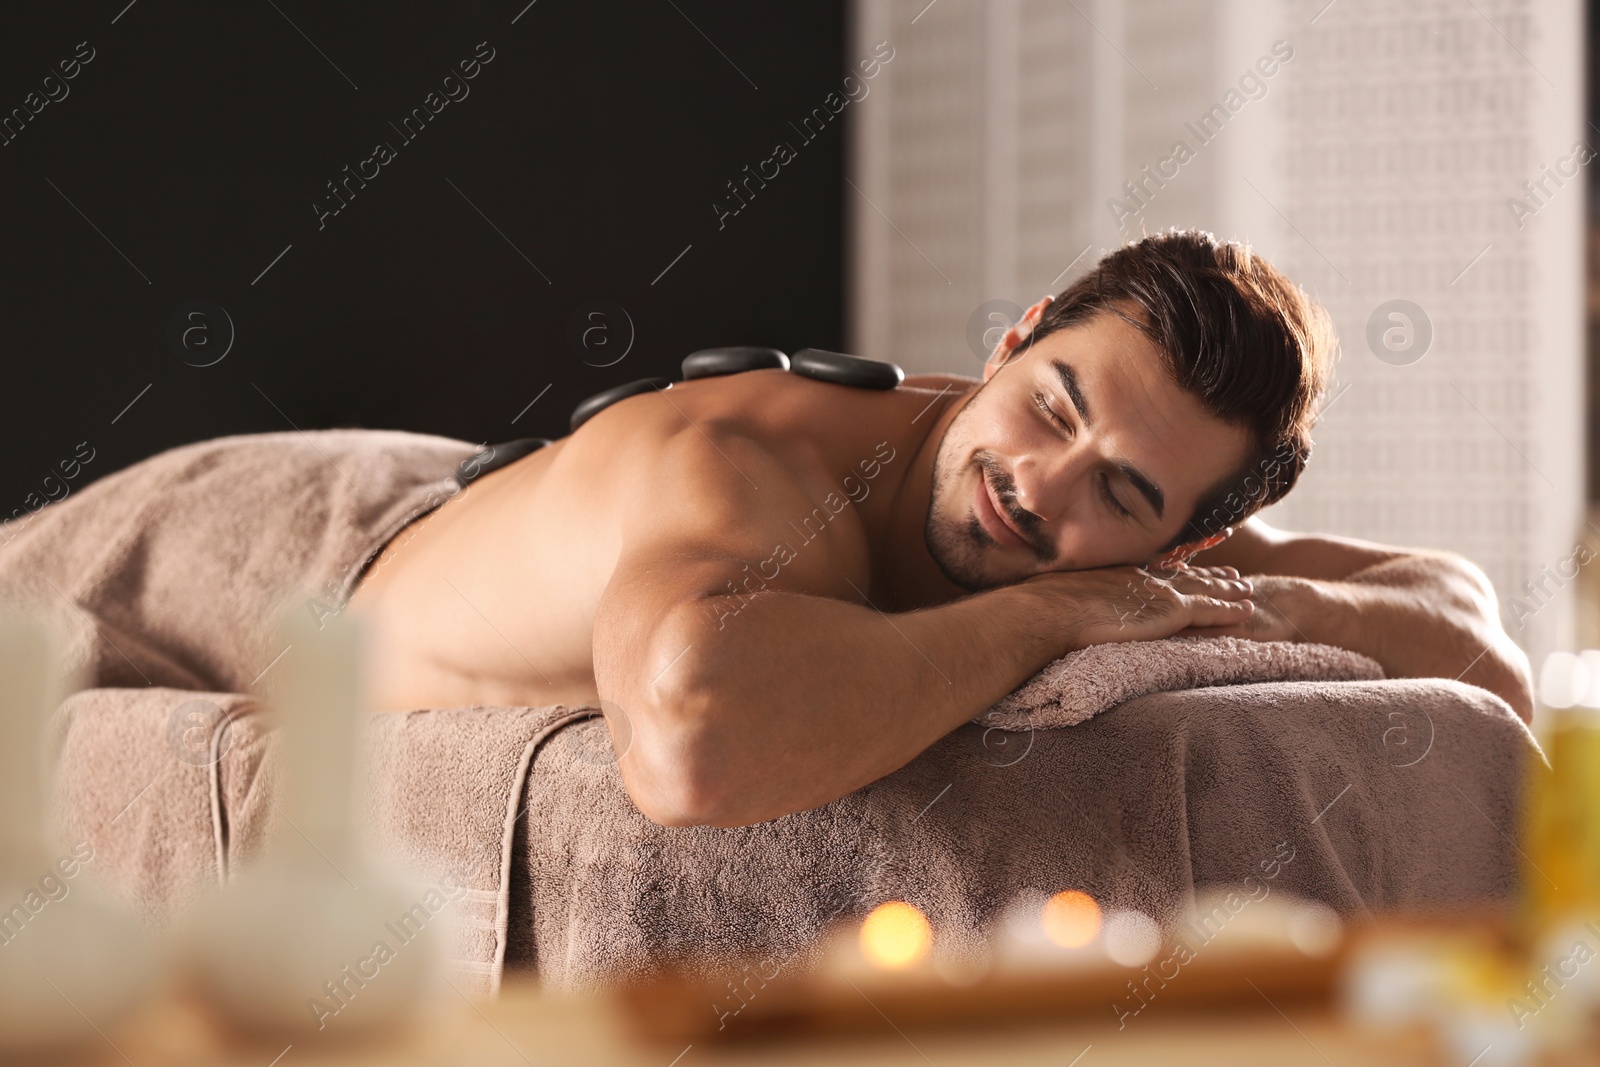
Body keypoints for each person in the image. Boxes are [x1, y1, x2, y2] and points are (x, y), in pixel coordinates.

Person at [345, 229, 1534, 828]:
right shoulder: (742, 472)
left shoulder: (1150, 543)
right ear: (1010, 342)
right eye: (1050, 403)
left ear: (1181, 547)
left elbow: (1474, 635)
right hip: (343, 565)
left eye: (1119, 493)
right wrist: (1056, 607)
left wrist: (1272, 604)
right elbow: (693, 747)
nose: (1037, 482)